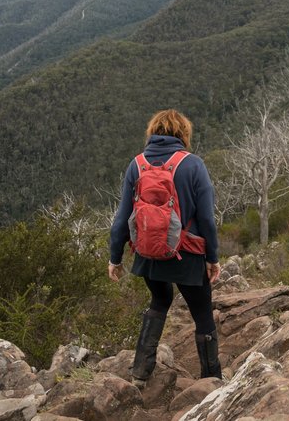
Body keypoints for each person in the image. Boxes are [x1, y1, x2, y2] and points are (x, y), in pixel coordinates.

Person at [108, 109, 222, 387]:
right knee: (203, 315)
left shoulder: (136, 165)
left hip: (149, 254)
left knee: (159, 301)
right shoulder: (193, 165)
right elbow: (206, 218)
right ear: (183, 134)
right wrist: (213, 258)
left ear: (153, 133)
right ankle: (212, 380)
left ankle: (140, 373)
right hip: (188, 254)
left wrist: (115, 258)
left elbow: (121, 218)